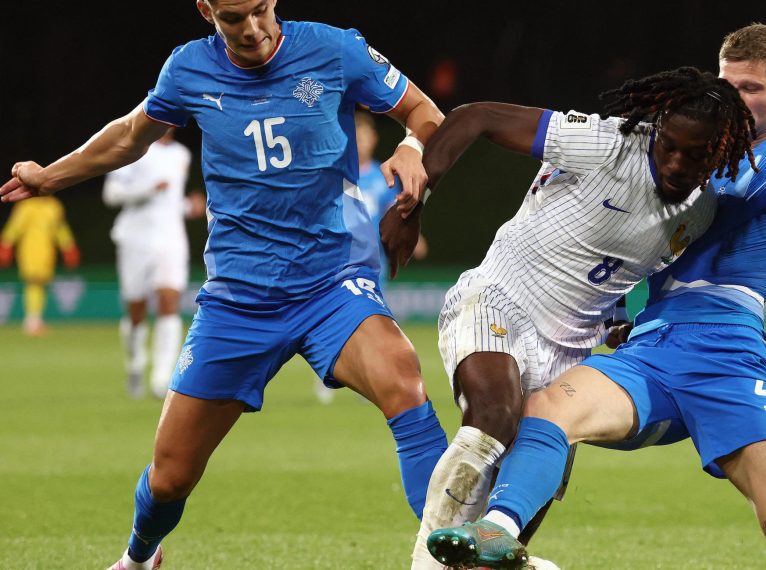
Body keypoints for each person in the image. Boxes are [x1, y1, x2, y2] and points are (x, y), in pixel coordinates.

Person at [425, 23, 766, 570]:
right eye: (728, 85)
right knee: (546, 407)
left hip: (728, 357)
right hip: (653, 347)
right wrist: (618, 315)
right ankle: (497, 531)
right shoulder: (691, 154)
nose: (735, 101)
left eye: (751, 90)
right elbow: (626, 250)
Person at [1, 1, 450, 569]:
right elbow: (130, 136)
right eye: (233, 17)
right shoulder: (189, 68)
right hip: (238, 301)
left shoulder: (336, 50)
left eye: (260, 10)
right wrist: (50, 176)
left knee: (404, 380)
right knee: (170, 478)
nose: (253, 29)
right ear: (206, 11)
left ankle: (449, 553)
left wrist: (412, 147)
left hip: (331, 284)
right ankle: (139, 558)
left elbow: (426, 112)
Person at [404, 67, 757, 569]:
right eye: (668, 146)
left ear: (719, 151)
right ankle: (425, 562)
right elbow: (475, 116)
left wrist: (619, 315)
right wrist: (415, 204)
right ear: (655, 131)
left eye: (695, 154)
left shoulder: (700, 213)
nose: (676, 162)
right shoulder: (605, 144)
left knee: (524, 496)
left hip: (570, 350)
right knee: (493, 418)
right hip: (500, 297)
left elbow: (626, 267)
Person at [314, 109, 429, 404]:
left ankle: (375, 379)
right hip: (334, 260)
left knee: (373, 320)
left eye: (365, 135)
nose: (360, 141)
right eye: (356, 136)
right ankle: (328, 378)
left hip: (370, 263)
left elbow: (396, 213)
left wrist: (413, 238)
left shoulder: (383, 176)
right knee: (331, 318)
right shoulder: (335, 175)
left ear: (373, 139)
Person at [103, 130, 205, 399]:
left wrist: (188, 207)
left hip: (171, 238)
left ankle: (163, 377)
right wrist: (147, 190)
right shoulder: (134, 150)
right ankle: (135, 364)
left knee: (169, 300)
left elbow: (170, 202)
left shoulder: (181, 154)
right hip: (135, 237)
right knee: (136, 309)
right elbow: (111, 194)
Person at [0, 195, 80, 335]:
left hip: (47, 252)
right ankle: (32, 321)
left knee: (41, 284)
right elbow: (14, 227)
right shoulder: (26, 206)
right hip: (29, 250)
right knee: (33, 283)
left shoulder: (54, 206)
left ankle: (35, 319)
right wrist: (6, 244)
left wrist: (68, 246)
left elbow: (60, 228)